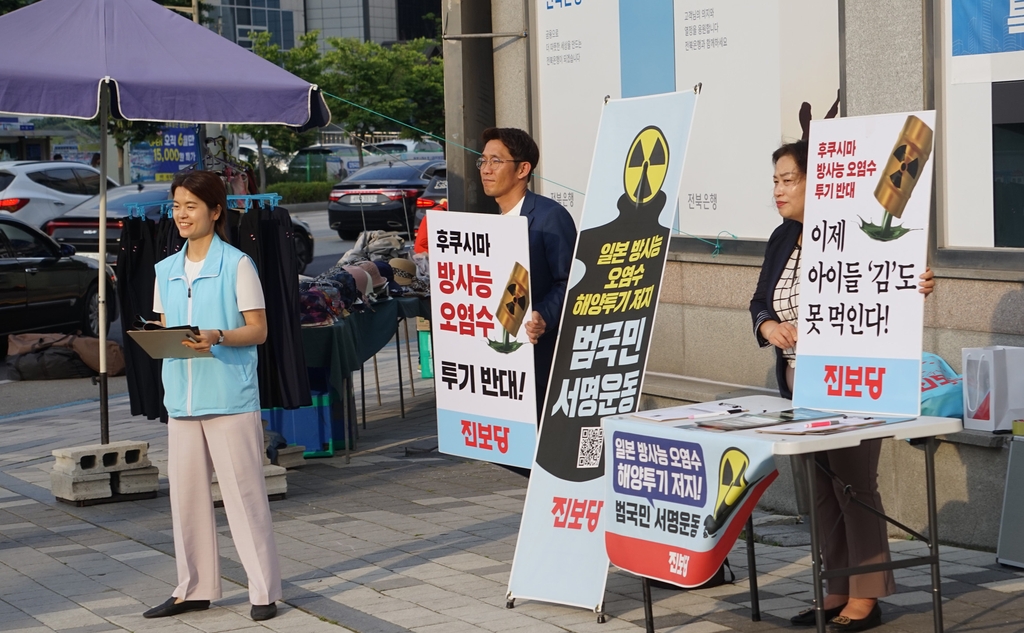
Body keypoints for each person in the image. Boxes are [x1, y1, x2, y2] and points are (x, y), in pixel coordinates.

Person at [750, 140, 934, 632]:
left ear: (822, 182)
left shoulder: (861, 232)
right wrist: (768, 326)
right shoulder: (781, 238)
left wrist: (916, 283)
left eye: (789, 180)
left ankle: (866, 596)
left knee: (855, 486)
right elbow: (759, 302)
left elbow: (890, 281)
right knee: (822, 490)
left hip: (853, 381)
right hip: (797, 384)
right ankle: (834, 588)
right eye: (775, 181)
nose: (779, 190)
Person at [143, 170, 281, 622]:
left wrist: (218, 335)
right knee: (185, 500)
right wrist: (155, 338)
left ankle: (263, 590)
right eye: (177, 206)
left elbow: (258, 329)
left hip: (228, 397)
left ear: (215, 211)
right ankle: (194, 588)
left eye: (191, 207)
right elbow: (165, 329)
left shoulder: (238, 264)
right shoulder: (164, 270)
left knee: (243, 496)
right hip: (181, 402)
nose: (181, 215)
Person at [478, 127, 577, 421]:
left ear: (523, 169)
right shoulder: (490, 224)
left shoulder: (550, 216)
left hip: (539, 354)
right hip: (500, 356)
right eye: (482, 161)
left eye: (496, 161)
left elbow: (569, 280)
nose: (486, 169)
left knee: (536, 438)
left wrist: (542, 315)